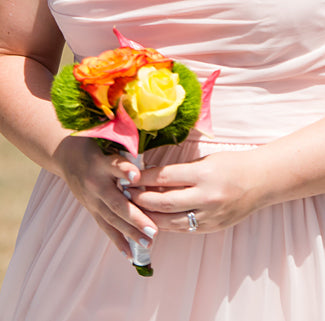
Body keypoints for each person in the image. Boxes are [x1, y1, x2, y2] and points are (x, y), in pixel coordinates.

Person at [0, 0, 325, 320]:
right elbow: (12, 54)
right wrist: (69, 154)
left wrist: (264, 178)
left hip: (290, 224)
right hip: (98, 234)